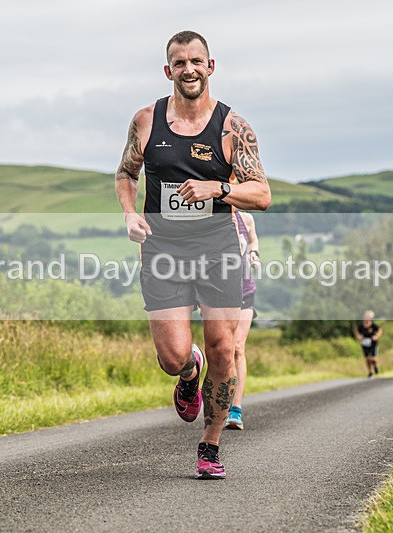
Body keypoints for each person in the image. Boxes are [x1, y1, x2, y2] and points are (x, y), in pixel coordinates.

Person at [114, 30, 271, 480]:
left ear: (211, 66)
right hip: (162, 249)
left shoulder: (232, 128)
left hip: (217, 247)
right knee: (171, 356)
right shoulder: (146, 120)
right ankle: (188, 372)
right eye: (179, 63)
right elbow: (126, 174)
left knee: (224, 348)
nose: (189, 69)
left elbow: (261, 194)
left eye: (196, 61)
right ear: (168, 71)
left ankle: (211, 445)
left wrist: (219, 187)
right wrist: (129, 215)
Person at [225, 210, 260, 430]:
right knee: (222, 350)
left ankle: (235, 410)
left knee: (238, 347)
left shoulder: (246, 218)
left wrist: (255, 254)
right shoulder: (211, 215)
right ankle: (218, 403)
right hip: (218, 293)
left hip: (245, 291)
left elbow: (253, 239)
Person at [356, 311, 382, 378]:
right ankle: (370, 372)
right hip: (365, 343)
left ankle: (375, 366)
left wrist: (376, 336)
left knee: (373, 359)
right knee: (367, 359)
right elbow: (358, 333)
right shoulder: (361, 326)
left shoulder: (373, 325)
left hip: (373, 343)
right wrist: (359, 337)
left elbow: (380, 330)